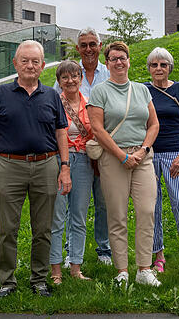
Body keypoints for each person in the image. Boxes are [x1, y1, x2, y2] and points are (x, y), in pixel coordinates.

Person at [0, 40, 72, 298]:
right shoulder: (0, 94)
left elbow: (61, 133)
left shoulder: (52, 95)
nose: (30, 66)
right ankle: (6, 282)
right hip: (9, 166)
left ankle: (39, 279)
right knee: (8, 229)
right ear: (15, 64)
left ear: (42, 65)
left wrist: (64, 167)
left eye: (35, 62)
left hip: (45, 165)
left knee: (43, 229)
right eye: (25, 61)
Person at [87, 41, 161, 287]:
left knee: (147, 212)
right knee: (117, 215)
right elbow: (97, 128)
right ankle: (122, 271)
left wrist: (143, 150)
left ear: (129, 61)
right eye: (113, 58)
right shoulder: (100, 91)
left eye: (123, 58)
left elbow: (153, 124)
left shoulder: (141, 90)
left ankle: (143, 269)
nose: (119, 62)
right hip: (113, 158)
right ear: (107, 64)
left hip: (142, 158)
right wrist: (121, 155)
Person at [53, 27, 112, 266]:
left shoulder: (109, 73)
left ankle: (104, 249)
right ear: (78, 48)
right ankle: (69, 251)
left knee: (103, 200)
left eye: (93, 44)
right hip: (71, 152)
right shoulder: (68, 72)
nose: (88, 49)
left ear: (99, 46)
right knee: (72, 205)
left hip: (103, 148)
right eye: (84, 45)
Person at [143, 47, 179, 277]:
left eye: (163, 65)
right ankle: (158, 255)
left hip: (174, 155)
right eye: (154, 65)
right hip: (149, 155)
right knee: (152, 206)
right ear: (149, 68)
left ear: (170, 67)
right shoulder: (143, 90)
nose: (159, 68)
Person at [49, 60, 95, 284]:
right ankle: (55, 270)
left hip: (84, 161)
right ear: (59, 81)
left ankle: (76, 266)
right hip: (59, 161)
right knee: (57, 217)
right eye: (65, 77)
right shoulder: (54, 104)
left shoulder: (88, 104)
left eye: (75, 76)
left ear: (81, 78)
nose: (70, 81)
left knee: (78, 216)